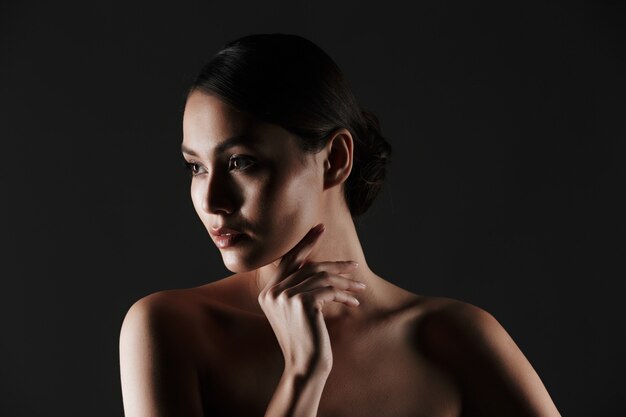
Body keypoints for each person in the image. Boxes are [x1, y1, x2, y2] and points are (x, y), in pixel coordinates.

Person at [119, 33, 562, 417]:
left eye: (240, 162)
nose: (212, 201)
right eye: (196, 168)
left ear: (335, 160)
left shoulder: (453, 340)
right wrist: (303, 375)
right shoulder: (168, 330)